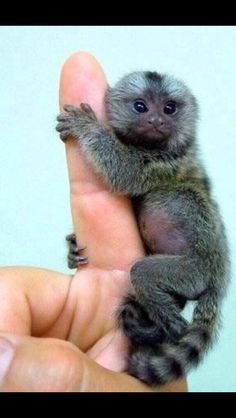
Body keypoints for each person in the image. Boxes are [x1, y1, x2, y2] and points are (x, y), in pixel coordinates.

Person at [0, 52, 187, 392]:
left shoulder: (170, 164)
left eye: (169, 109)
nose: (157, 119)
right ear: (117, 107)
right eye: (142, 107)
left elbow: (126, 177)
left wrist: (88, 129)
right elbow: (125, 225)